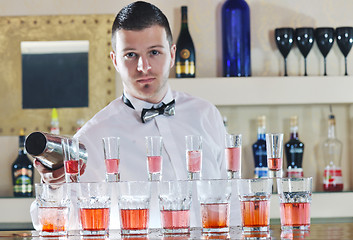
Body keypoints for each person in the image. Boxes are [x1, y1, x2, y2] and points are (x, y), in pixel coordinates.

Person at [32, 0, 240, 229]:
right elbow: (55, 223)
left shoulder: (206, 115)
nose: (144, 66)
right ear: (115, 61)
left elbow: (230, 196)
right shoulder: (91, 137)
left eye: (154, 52)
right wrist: (53, 186)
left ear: (172, 55)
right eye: (131, 54)